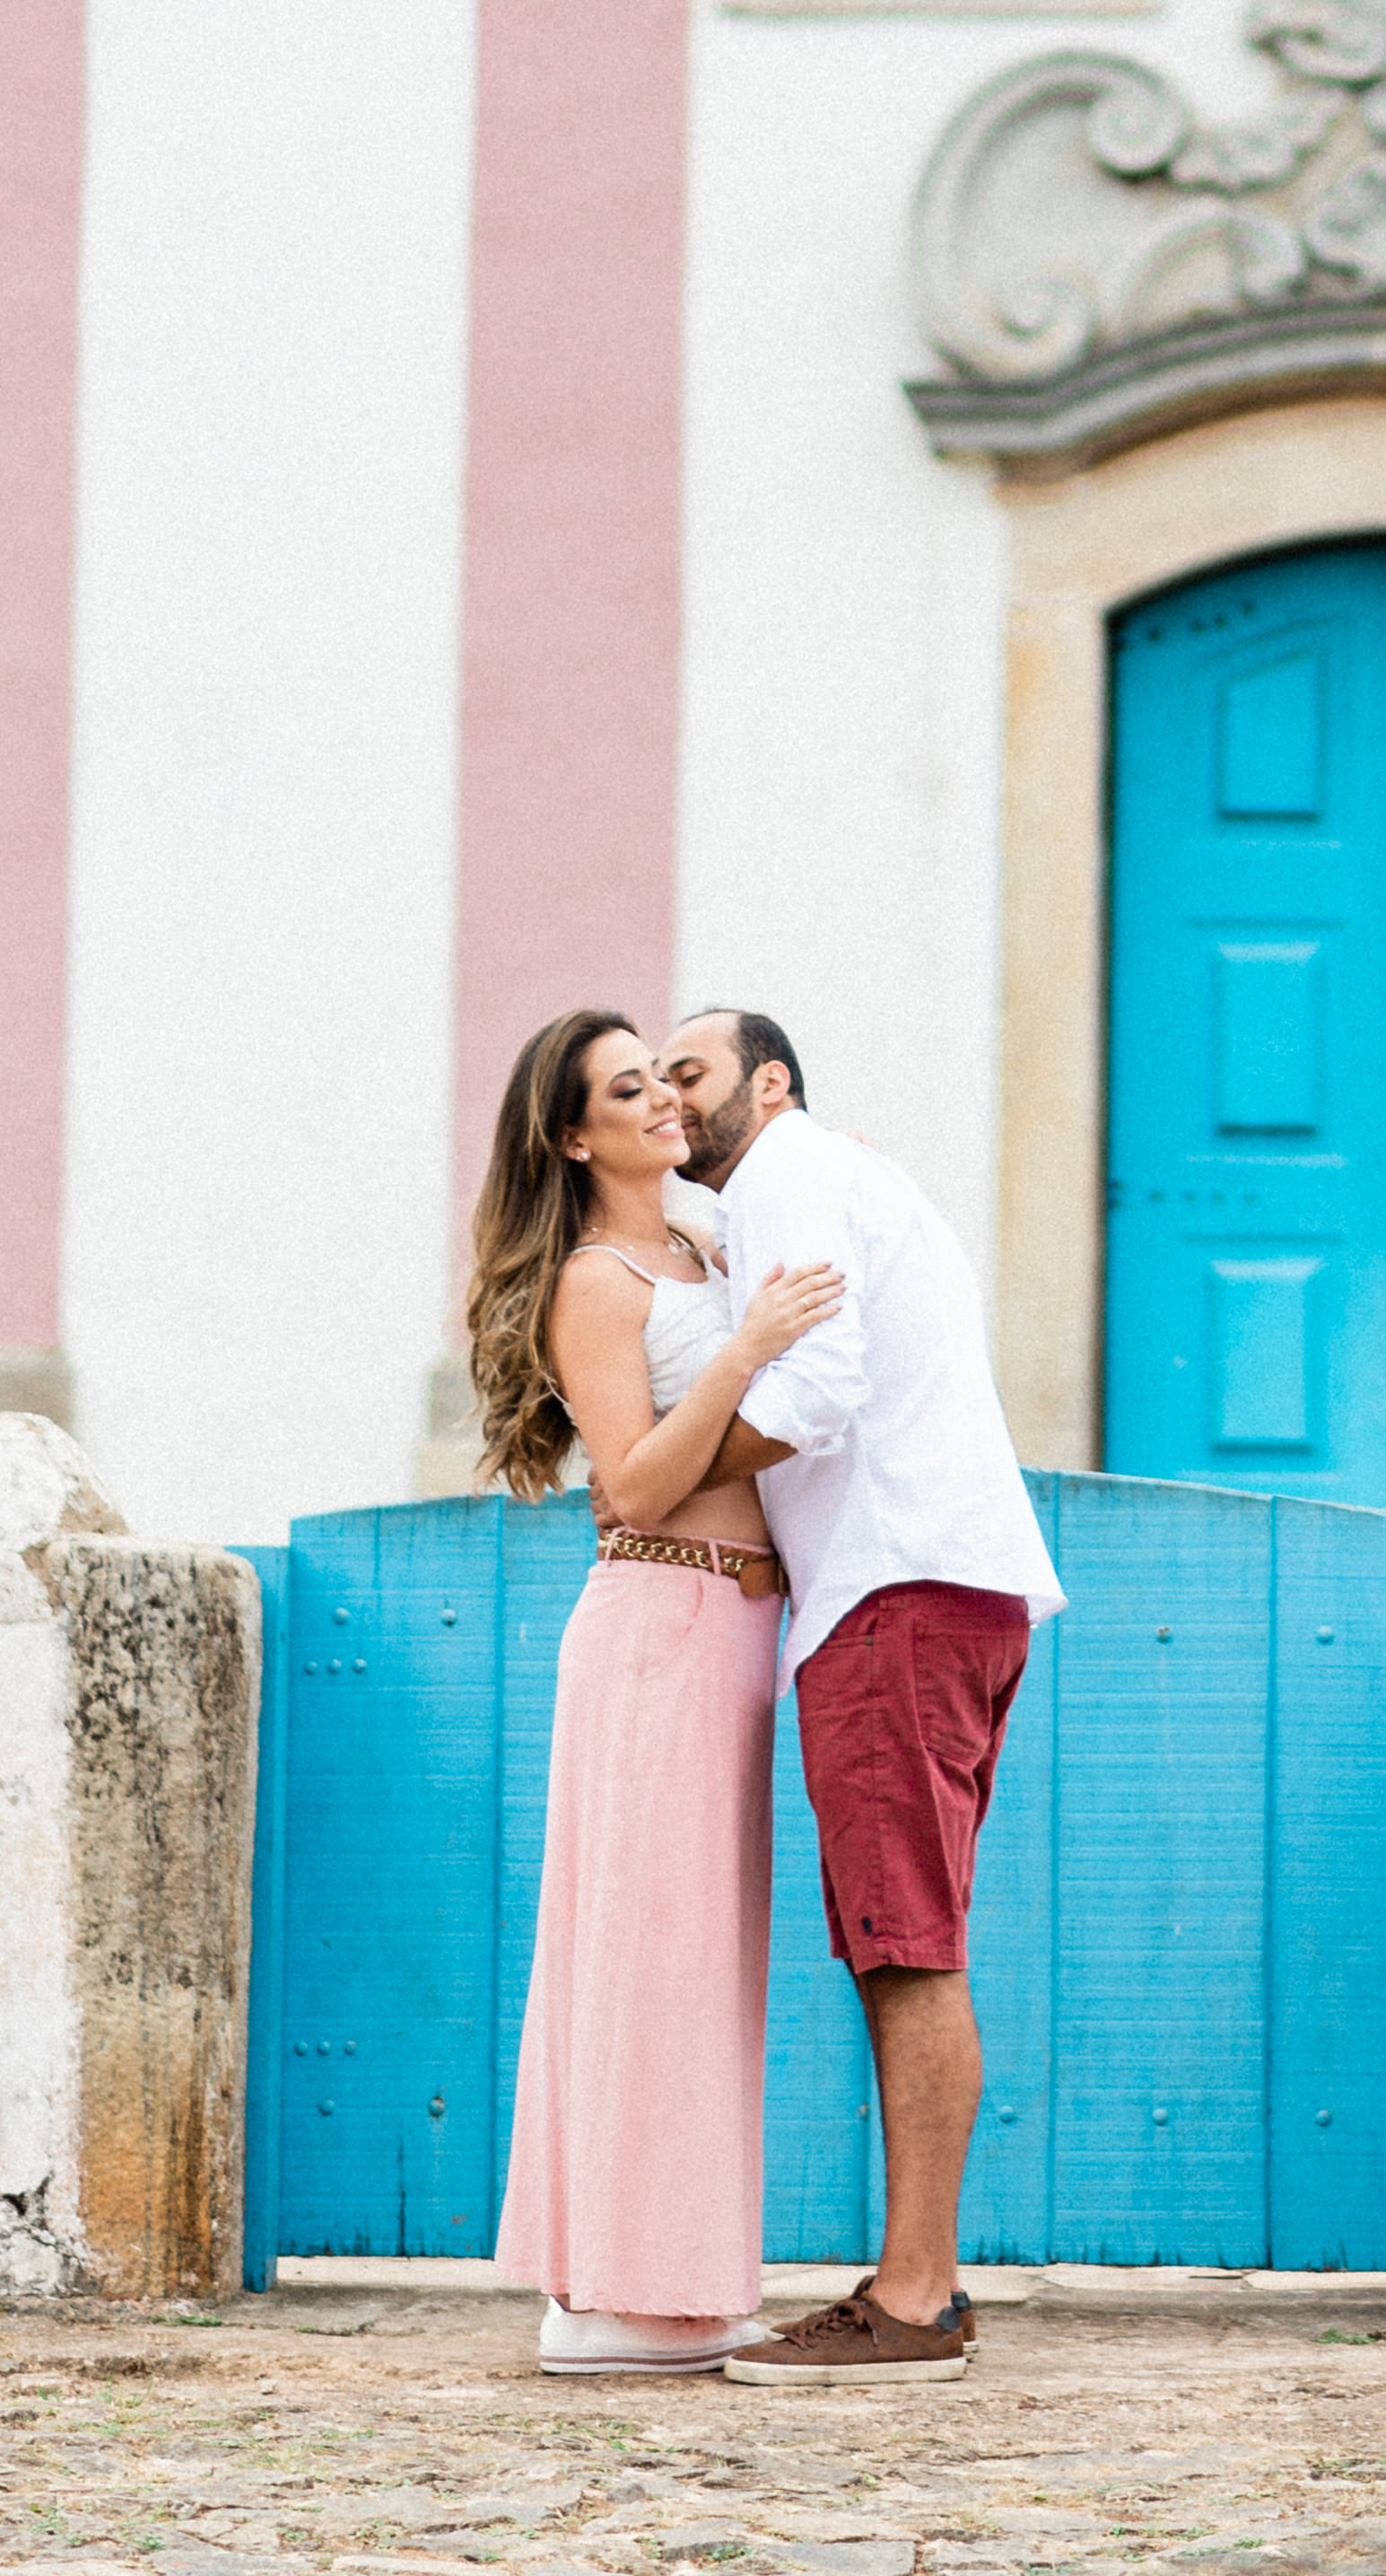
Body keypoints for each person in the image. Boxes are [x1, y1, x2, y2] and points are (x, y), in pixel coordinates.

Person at [657, 1005, 1064, 2381]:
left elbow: (821, 1384)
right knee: (911, 1935)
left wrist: (669, 1474)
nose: (669, 1094)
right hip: (937, 1585)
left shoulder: (789, 1173)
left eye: (691, 1072)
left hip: (892, 1595)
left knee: (906, 1945)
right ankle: (921, 2287)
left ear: (769, 1084)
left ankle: (911, 2300)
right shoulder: (813, 1179)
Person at [464, 1005, 844, 2376]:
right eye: (629, 1090)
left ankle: (681, 2275)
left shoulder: (710, 1238)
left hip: (738, 1631)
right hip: (655, 1618)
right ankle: (615, 2283)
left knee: (706, 1969)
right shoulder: (596, 1279)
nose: (663, 1102)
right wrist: (746, 1351)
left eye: (664, 1079)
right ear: (576, 1133)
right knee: (641, 1960)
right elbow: (626, 1480)